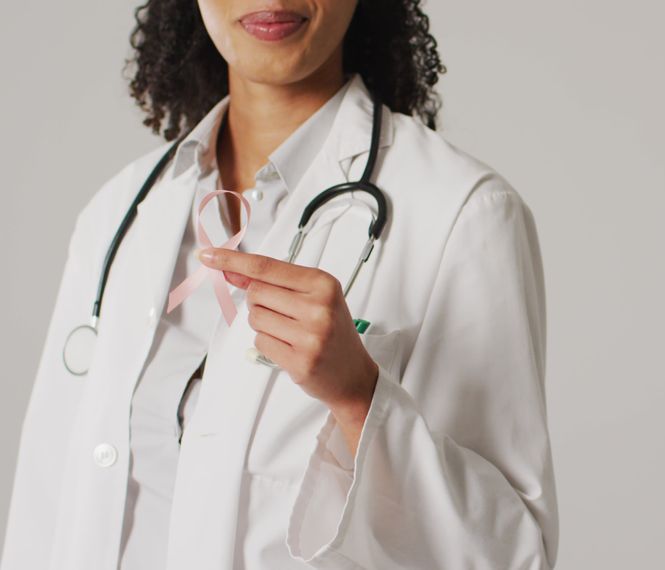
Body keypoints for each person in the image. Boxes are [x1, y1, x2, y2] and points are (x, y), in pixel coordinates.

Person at [0, 0, 558, 568]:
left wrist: (360, 397)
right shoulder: (119, 214)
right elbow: (43, 512)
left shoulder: (464, 214)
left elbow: (511, 555)